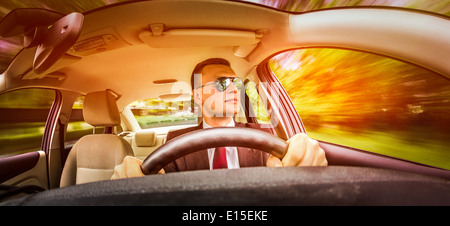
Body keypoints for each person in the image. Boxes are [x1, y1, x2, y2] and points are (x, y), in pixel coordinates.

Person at [112, 58, 327, 179]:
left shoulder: (265, 135)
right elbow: (160, 185)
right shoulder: (175, 141)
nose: (234, 89)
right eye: (223, 83)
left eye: (237, 82)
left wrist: (303, 155)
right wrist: (134, 180)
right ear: (197, 95)